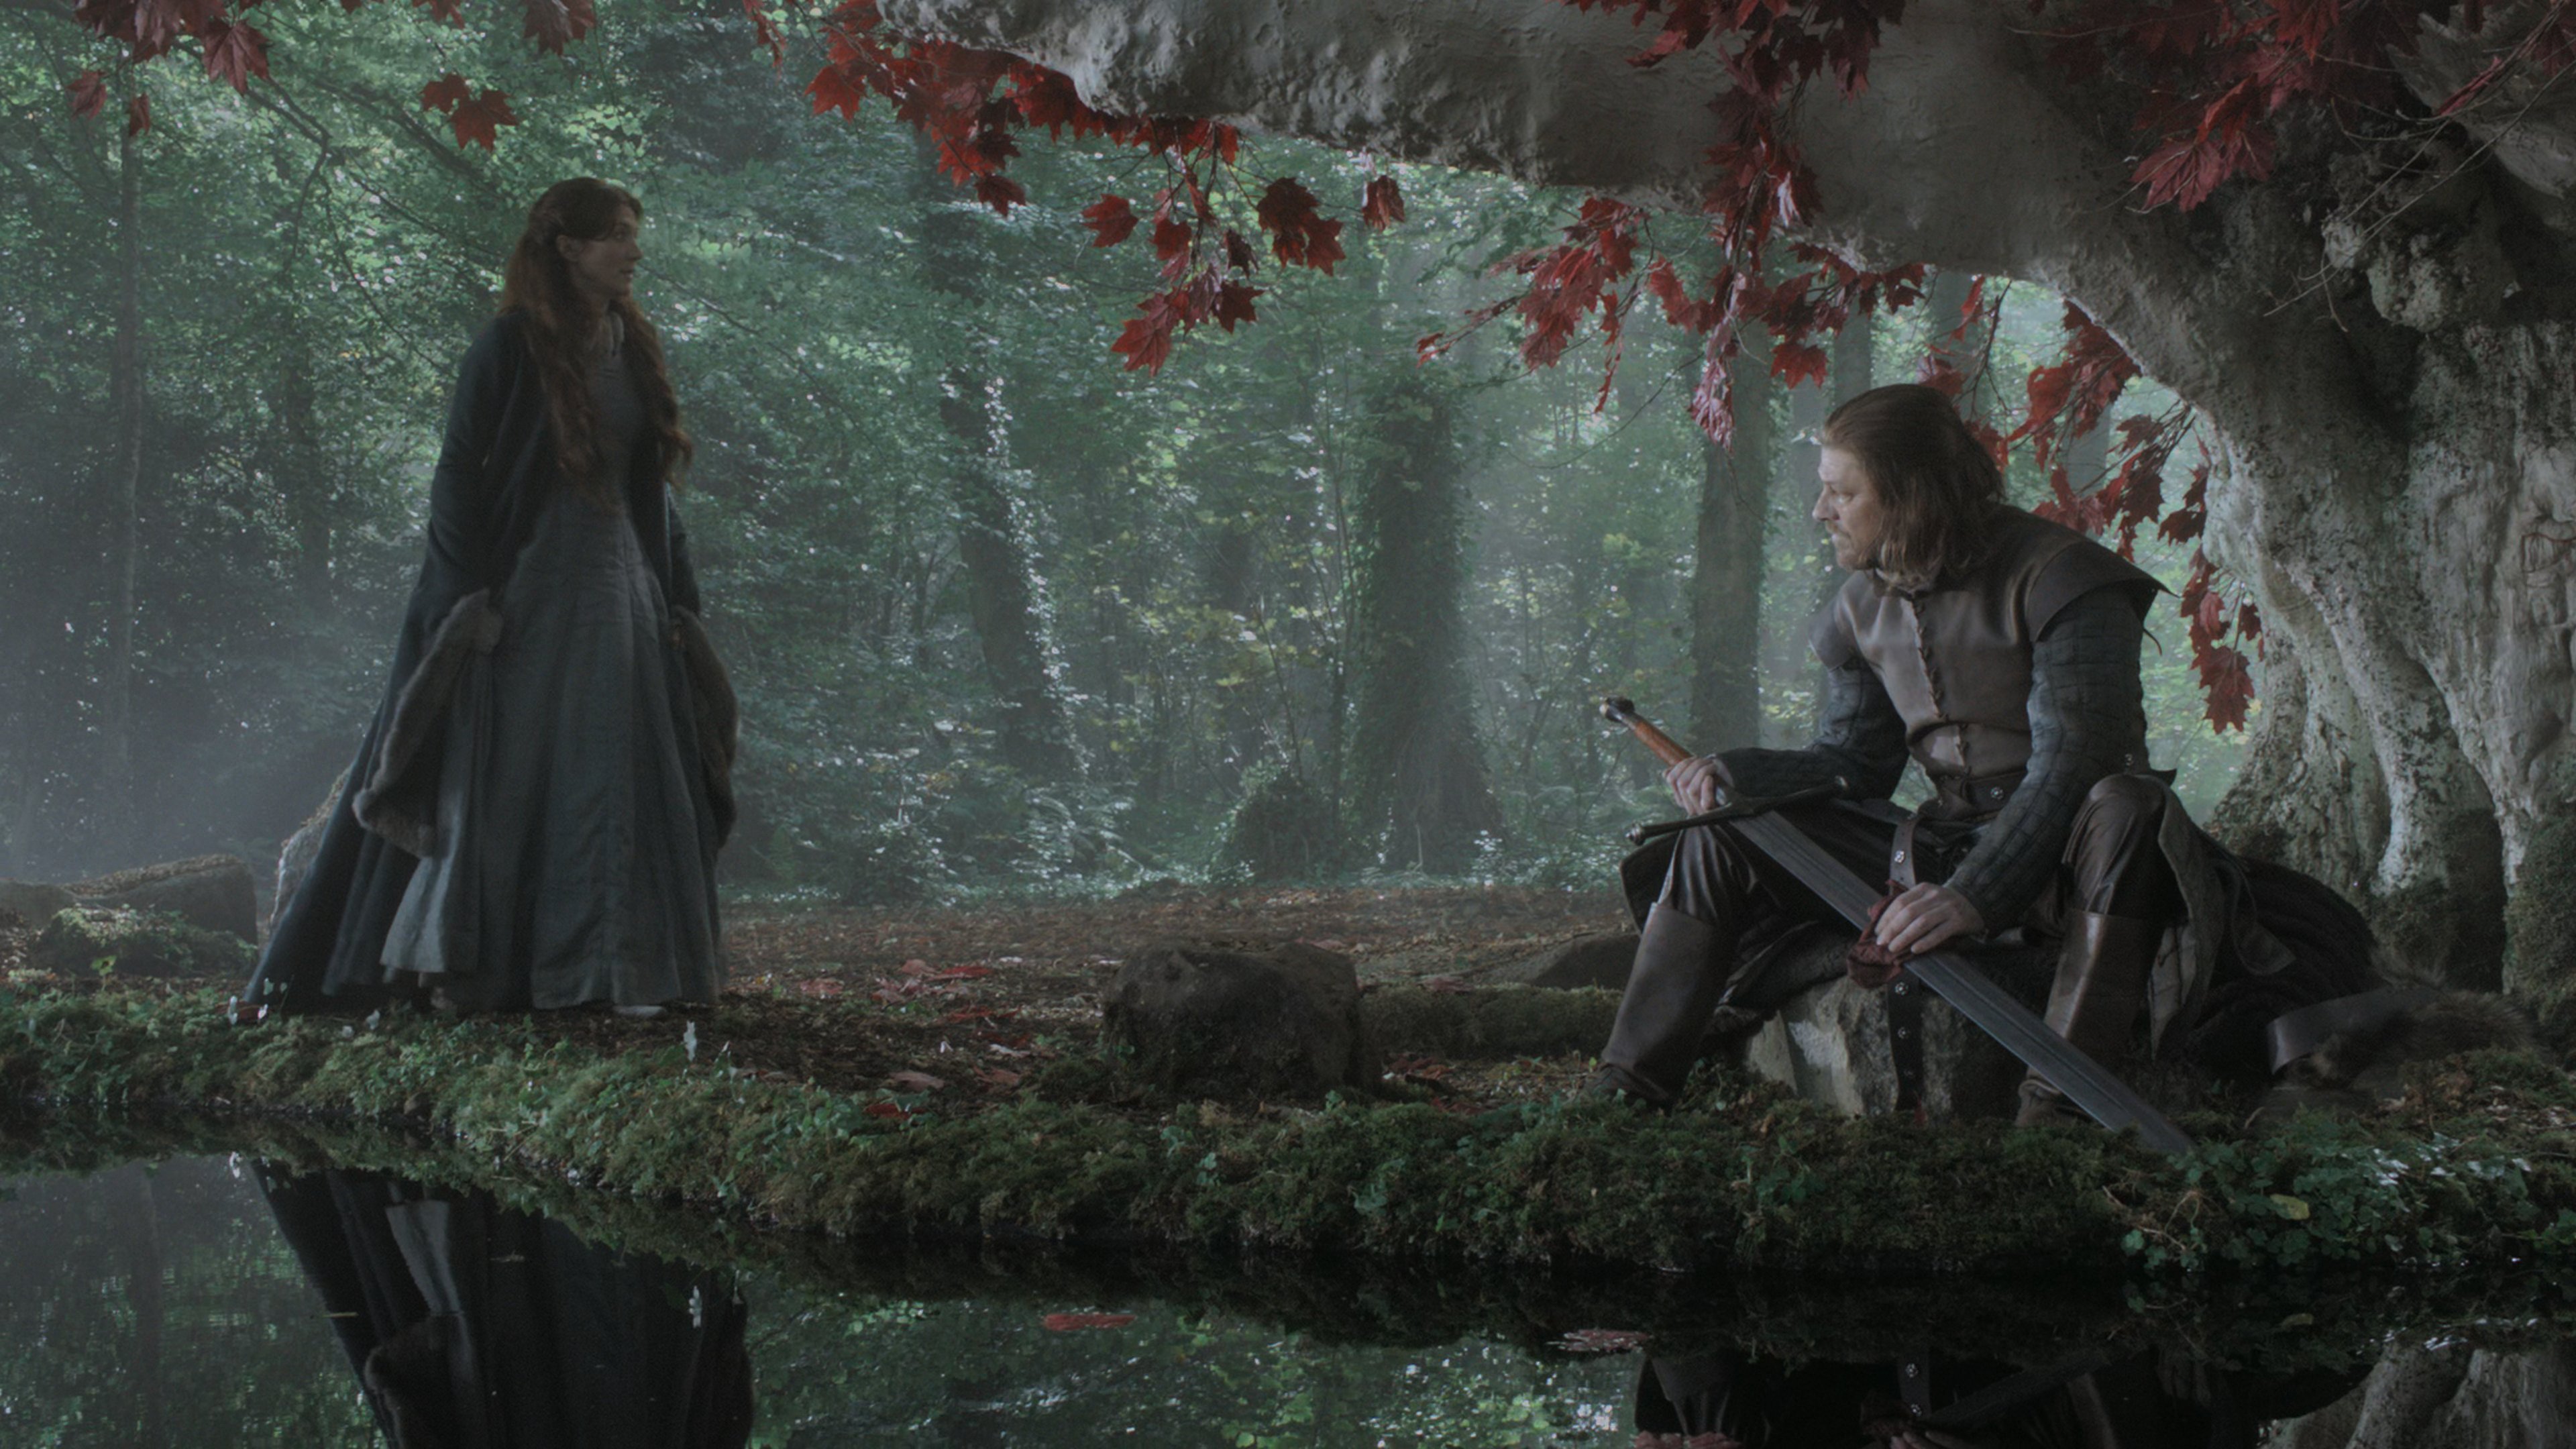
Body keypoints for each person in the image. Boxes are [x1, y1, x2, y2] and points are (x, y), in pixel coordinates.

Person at [1593, 384, 2348, 1123]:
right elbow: (1855, 762)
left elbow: (2077, 763)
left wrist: (1976, 895)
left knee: (2130, 804)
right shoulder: (1860, 606)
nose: (1822, 509)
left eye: (1842, 492)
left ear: (1907, 495)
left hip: (2074, 860)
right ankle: (1625, 1095)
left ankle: (2056, 1114)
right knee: (1723, 832)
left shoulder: (2063, 578)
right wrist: (1740, 773)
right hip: (1943, 842)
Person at [246, 178, 733, 1018]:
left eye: (633, 233)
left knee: (621, 776)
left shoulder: (633, 346)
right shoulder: (509, 348)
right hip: (532, 594)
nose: (634, 250)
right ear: (568, 247)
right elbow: (457, 482)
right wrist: (464, 602)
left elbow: (652, 493)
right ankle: (493, 973)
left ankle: (611, 971)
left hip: (625, 597)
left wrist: (679, 603)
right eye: (617, 234)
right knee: (510, 783)